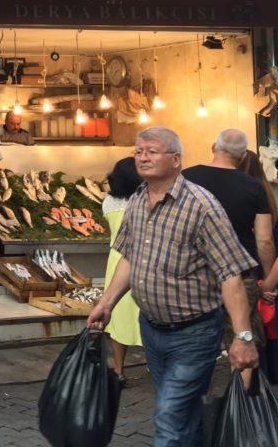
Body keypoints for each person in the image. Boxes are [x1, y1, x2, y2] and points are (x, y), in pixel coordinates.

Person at [88, 127, 259, 447]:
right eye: (139, 151)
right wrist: (107, 301)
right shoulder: (137, 201)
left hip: (194, 333)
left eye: (152, 151)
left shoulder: (201, 206)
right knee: (184, 414)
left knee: (168, 416)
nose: (142, 156)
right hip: (152, 329)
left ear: (176, 159)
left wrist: (243, 337)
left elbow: (230, 275)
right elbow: (128, 256)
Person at [183, 128, 275, 358]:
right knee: (242, 336)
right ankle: (240, 392)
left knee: (195, 341)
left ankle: (196, 390)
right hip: (241, 274)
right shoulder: (253, 187)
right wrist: (266, 278)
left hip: (193, 272)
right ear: (243, 156)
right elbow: (264, 240)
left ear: (214, 148)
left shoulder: (184, 179)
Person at [101, 156, 143, 384]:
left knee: (119, 316)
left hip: (117, 259)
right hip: (142, 257)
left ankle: (118, 369)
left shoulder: (108, 202)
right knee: (146, 312)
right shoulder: (145, 200)